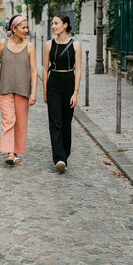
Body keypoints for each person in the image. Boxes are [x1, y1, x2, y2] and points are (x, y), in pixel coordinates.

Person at [0, 15, 37, 165]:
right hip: (4, 88)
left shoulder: (30, 46)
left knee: (20, 123)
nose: (26, 30)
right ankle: (10, 153)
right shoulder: (3, 43)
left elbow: (34, 71)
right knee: (8, 120)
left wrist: (34, 92)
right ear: (14, 29)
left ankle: (15, 151)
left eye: (27, 27)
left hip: (23, 90)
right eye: (23, 27)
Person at [42, 14, 82, 173]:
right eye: (52, 23)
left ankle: (65, 153)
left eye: (56, 23)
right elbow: (45, 69)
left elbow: (78, 70)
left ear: (65, 25)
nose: (53, 26)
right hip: (54, 82)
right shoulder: (48, 45)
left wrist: (76, 93)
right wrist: (45, 91)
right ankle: (59, 158)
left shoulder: (76, 45)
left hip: (69, 82)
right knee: (55, 122)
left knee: (66, 123)